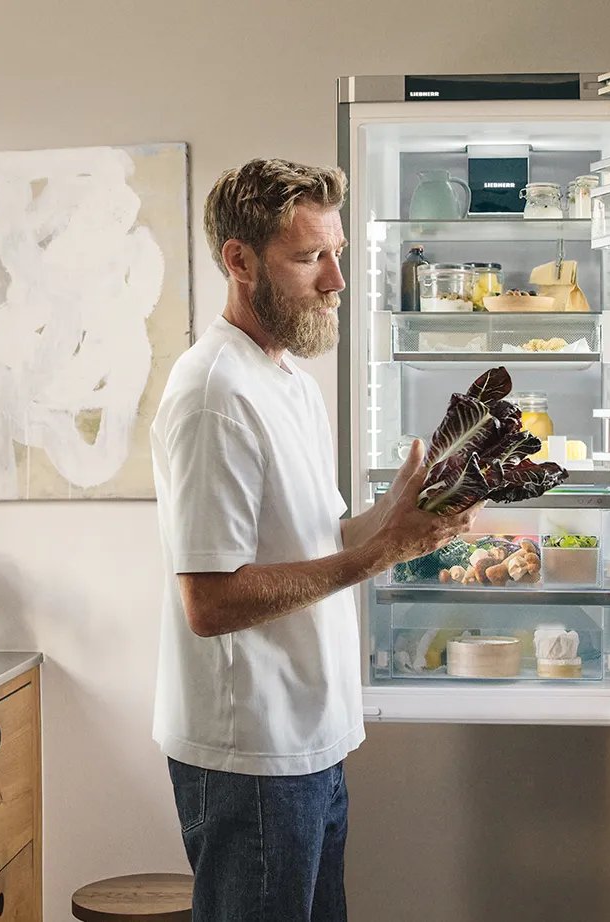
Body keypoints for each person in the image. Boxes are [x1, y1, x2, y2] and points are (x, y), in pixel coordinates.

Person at [150, 158, 480, 921]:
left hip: (312, 742)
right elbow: (210, 598)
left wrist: (400, 514)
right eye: (309, 258)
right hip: (252, 754)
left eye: (335, 254)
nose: (335, 280)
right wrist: (376, 553)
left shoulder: (286, 378)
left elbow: (318, 537)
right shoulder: (212, 396)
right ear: (239, 260)